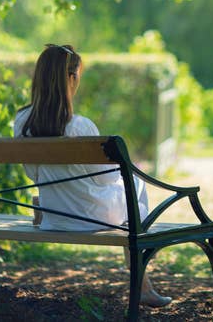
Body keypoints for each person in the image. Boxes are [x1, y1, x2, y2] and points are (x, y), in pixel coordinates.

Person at [14, 43, 171, 307]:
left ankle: (144, 280)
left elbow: (32, 173)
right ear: (71, 78)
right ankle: (142, 276)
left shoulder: (22, 121)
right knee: (135, 184)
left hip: (56, 215)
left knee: (131, 193)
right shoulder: (79, 125)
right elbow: (107, 179)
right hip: (90, 218)